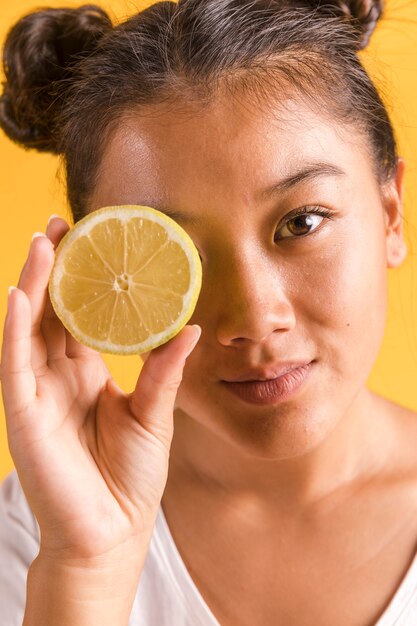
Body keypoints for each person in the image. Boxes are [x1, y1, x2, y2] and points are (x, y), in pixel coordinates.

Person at [0, 0, 416, 624]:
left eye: (301, 223)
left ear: (390, 214)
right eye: (183, 256)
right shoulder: (37, 537)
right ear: (105, 270)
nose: (252, 316)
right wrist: (88, 567)